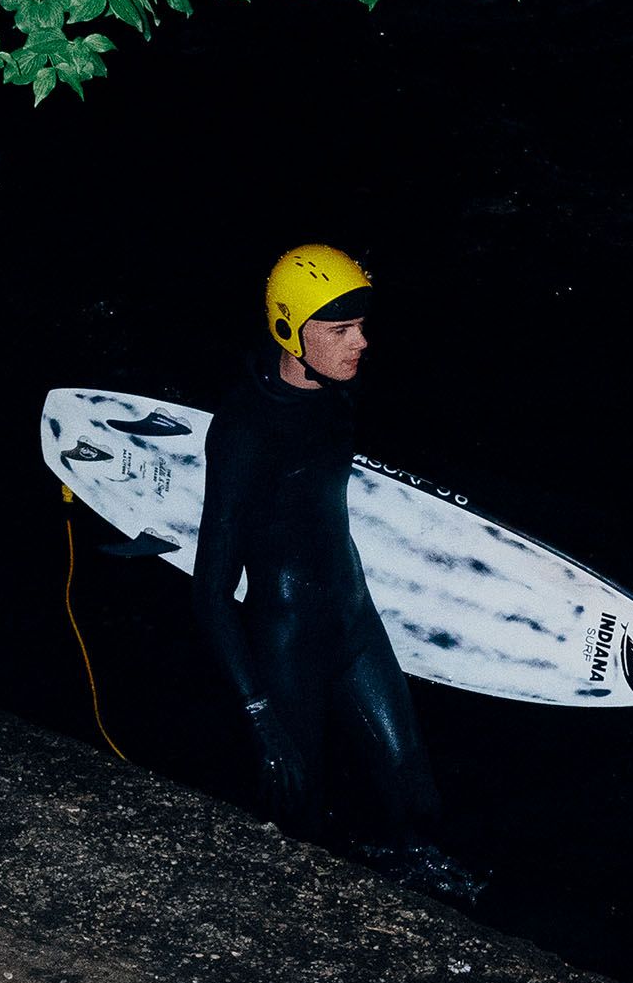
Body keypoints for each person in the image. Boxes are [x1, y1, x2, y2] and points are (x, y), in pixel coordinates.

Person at [194, 244, 458, 878]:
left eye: (363, 326)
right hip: (286, 642)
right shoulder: (244, 430)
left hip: (353, 617)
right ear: (287, 329)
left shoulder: (341, 392)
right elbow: (209, 587)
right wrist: (259, 714)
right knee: (296, 819)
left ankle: (429, 888)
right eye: (341, 330)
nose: (361, 343)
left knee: (412, 781)